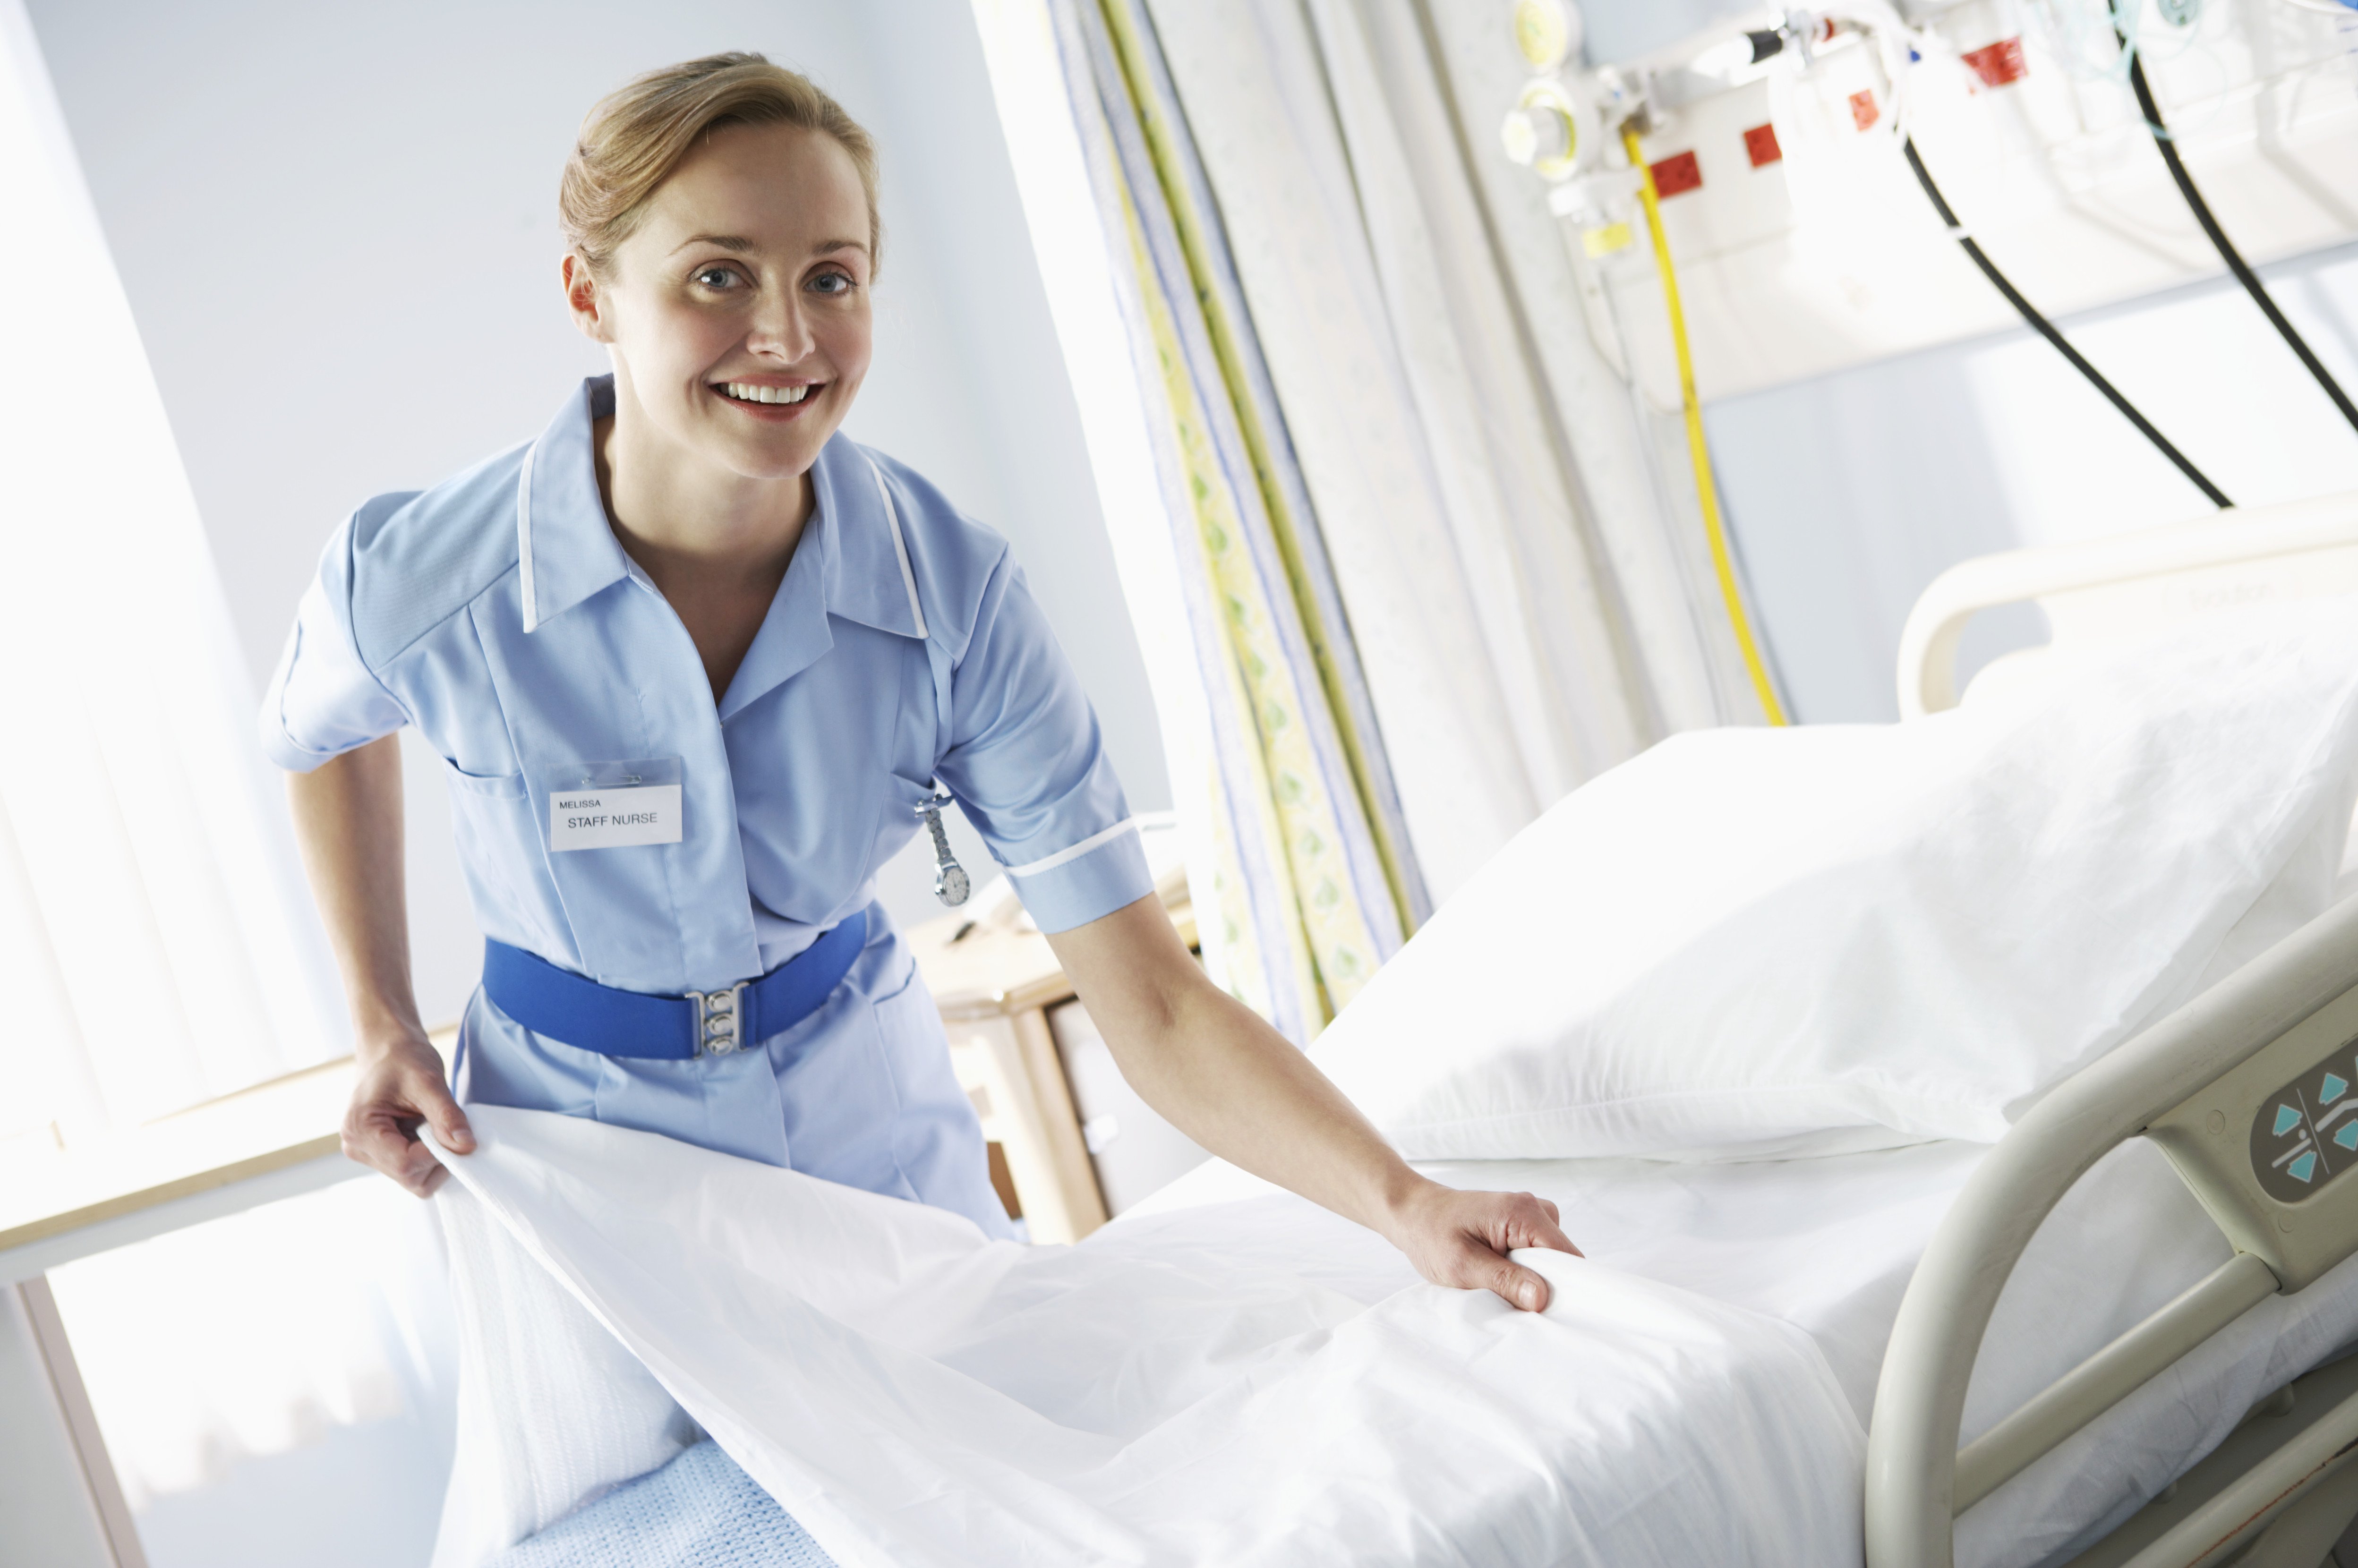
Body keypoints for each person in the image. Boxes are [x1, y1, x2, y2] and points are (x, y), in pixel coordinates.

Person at [265, 51, 1575, 1315]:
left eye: (831, 277)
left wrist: (1402, 1204)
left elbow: (1156, 1002)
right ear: (588, 294)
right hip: (581, 1158)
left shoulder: (950, 597)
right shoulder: (428, 577)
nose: (786, 336)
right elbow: (317, 732)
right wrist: (379, 1018)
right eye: (719, 274)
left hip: (869, 1139)